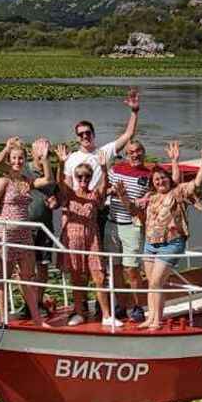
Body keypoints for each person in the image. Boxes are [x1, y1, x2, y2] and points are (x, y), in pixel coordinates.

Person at [113, 141, 202, 331]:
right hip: (151, 244)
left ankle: (156, 320)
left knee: (155, 281)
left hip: (171, 244)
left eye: (163, 178)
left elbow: (196, 184)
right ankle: (151, 317)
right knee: (152, 284)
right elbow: (132, 210)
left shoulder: (178, 192)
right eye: (156, 180)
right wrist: (123, 196)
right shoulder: (151, 198)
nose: (160, 182)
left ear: (168, 179)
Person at [63, 88, 141, 315]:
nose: (85, 136)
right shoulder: (70, 159)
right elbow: (66, 186)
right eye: (81, 134)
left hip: (102, 212)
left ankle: (105, 305)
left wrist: (134, 111)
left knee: (103, 264)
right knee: (79, 266)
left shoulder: (105, 151)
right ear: (77, 137)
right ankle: (81, 308)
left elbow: (127, 136)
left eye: (88, 133)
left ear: (93, 134)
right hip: (80, 212)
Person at [0, 136, 60, 317]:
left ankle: (36, 317)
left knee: (27, 276)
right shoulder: (5, 180)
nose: (17, 161)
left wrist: (45, 159)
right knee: (4, 277)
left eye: (20, 158)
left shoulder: (27, 181)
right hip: (6, 235)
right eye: (14, 158)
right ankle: (4, 319)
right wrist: (7, 148)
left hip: (24, 236)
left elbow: (48, 180)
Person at [53, 144, 119, 327]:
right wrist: (61, 163)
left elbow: (104, 185)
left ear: (90, 178)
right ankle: (79, 312)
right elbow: (59, 182)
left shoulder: (94, 195)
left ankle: (107, 315)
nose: (83, 179)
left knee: (99, 276)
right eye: (79, 176)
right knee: (77, 277)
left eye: (87, 176)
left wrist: (104, 167)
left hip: (92, 239)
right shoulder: (69, 194)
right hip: (72, 239)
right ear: (75, 177)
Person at [106, 139, 154, 322]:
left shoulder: (150, 174)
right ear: (126, 155)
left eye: (138, 151)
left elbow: (147, 200)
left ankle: (137, 306)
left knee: (131, 269)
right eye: (131, 152)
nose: (135, 155)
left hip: (132, 226)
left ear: (144, 152)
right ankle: (120, 305)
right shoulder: (116, 169)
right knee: (115, 267)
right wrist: (111, 190)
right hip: (112, 224)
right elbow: (104, 188)